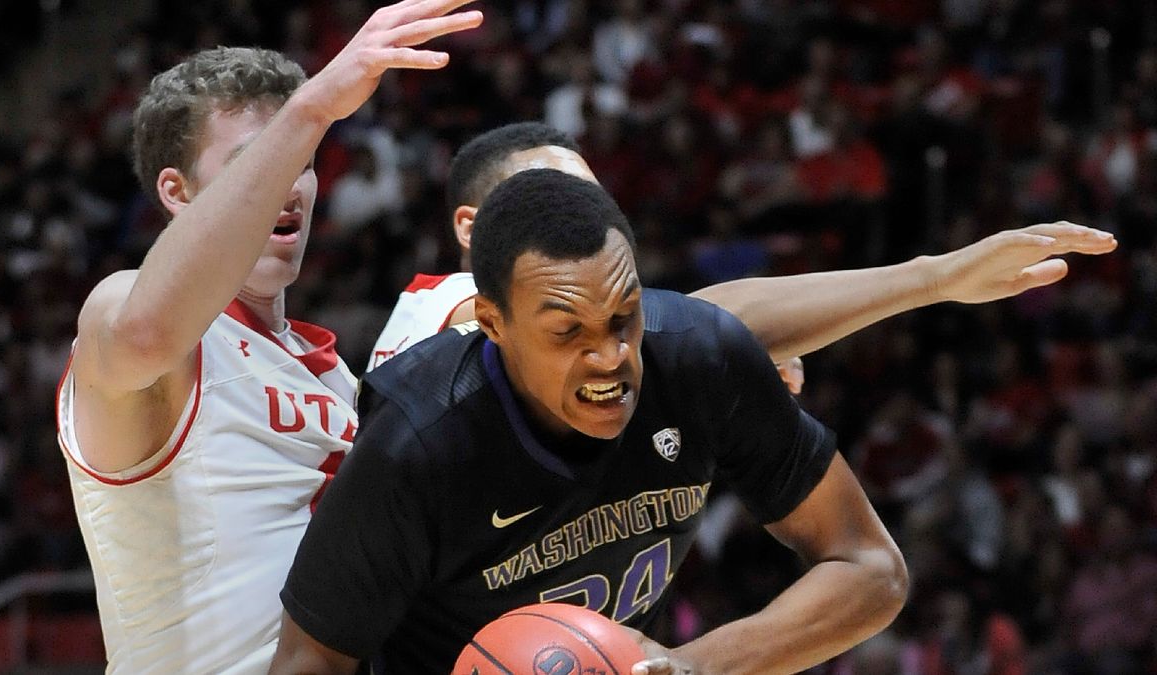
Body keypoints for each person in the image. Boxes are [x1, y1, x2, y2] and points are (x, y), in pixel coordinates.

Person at [271, 168, 910, 674]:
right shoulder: (416, 443)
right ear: (493, 324)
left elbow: (871, 569)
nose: (611, 358)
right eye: (567, 331)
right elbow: (309, 662)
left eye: (624, 317)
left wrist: (694, 665)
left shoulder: (699, 355)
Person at [54, 2, 484, 673]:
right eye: (258, 160)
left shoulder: (339, 378)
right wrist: (311, 109)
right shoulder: (126, 308)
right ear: (177, 192)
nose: (288, 182)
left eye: (302, 160)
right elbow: (145, 333)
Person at [366, 122, 1118, 395]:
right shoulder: (448, 305)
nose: (582, 220)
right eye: (549, 199)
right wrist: (935, 278)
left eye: (592, 200)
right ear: (471, 229)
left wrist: (715, 382)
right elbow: (691, 324)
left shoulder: (576, 378)